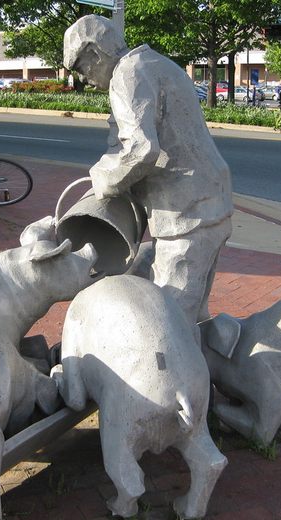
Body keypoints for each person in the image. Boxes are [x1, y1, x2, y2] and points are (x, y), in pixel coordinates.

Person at [63, 15, 233, 324]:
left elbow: (142, 149)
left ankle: (181, 370)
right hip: (211, 203)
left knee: (170, 320)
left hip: (185, 215)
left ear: (94, 53)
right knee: (195, 312)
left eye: (79, 67)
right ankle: (207, 360)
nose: (83, 79)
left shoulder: (126, 76)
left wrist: (105, 181)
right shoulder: (155, 63)